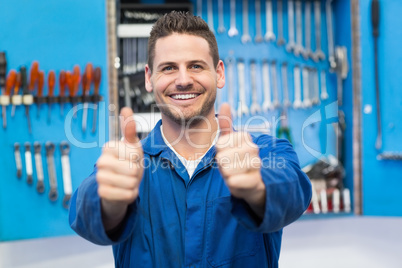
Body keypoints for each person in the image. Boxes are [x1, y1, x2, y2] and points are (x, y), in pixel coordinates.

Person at [69, 11, 312, 268]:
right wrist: (111, 205)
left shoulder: (262, 154)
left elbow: (294, 191)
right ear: (149, 78)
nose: (183, 80)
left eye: (196, 66)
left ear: (219, 73)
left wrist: (257, 190)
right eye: (169, 68)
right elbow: (84, 212)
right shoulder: (127, 165)